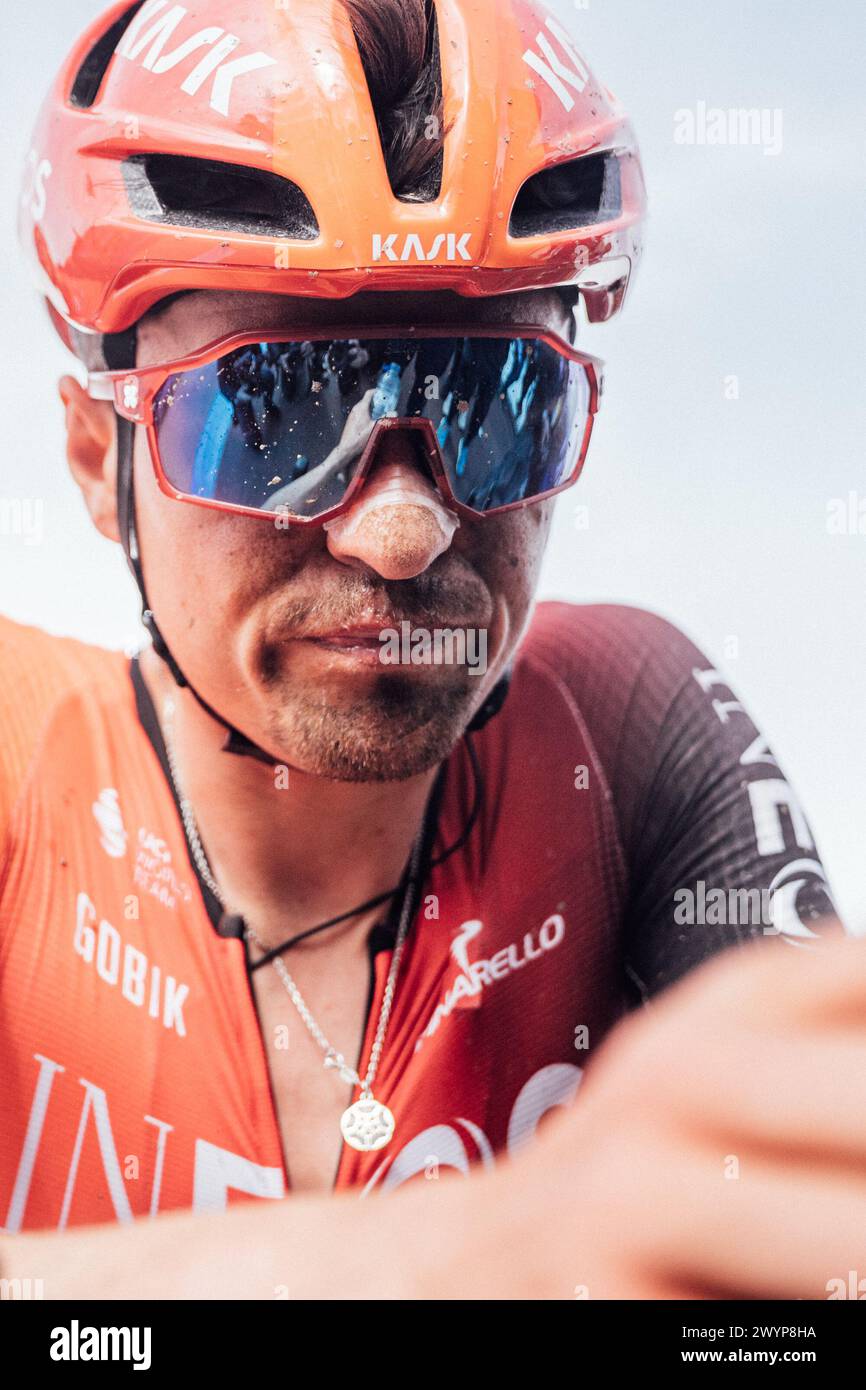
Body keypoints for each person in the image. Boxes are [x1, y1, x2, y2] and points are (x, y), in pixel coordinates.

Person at [0, 0, 859, 1300]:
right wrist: (506, 1242)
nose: (402, 532)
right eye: (278, 413)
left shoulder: (625, 727)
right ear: (94, 460)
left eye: (497, 404)